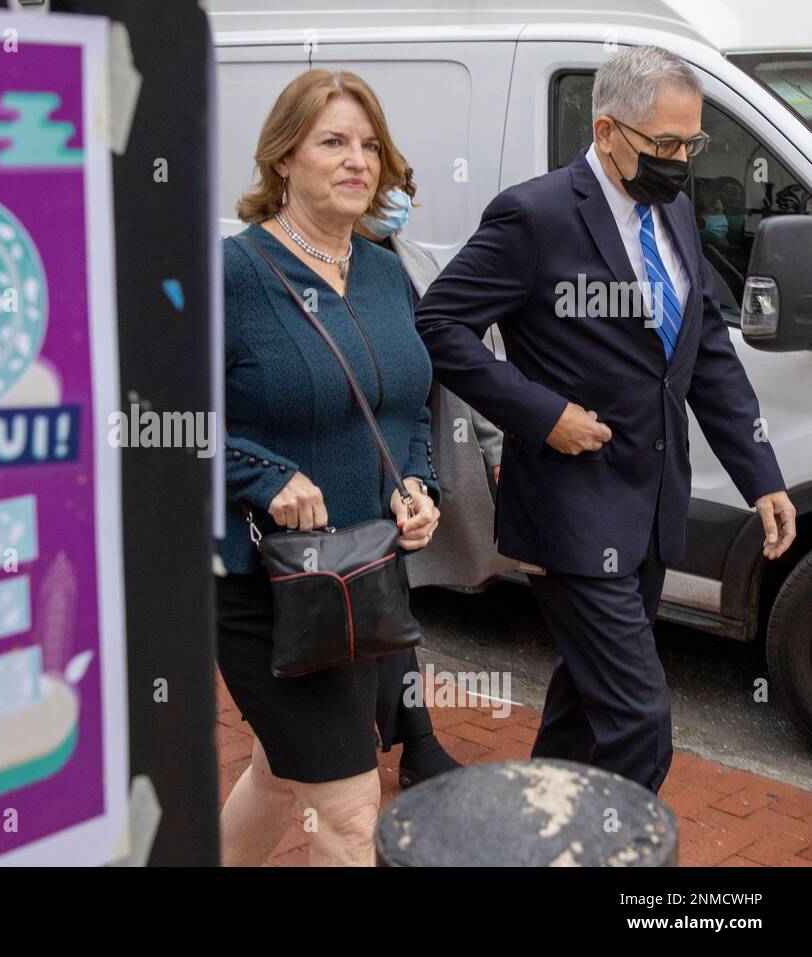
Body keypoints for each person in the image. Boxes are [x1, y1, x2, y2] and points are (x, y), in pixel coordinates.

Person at [414, 45, 797, 794]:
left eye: (693, 144)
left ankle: (532, 829)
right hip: (570, 507)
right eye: (664, 145)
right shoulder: (535, 215)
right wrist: (542, 412)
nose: (681, 161)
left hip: (652, 507)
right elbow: (439, 323)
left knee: (585, 706)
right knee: (638, 722)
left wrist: (761, 476)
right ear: (606, 130)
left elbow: (703, 352)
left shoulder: (675, 207)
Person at [218, 68, 441, 866]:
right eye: (334, 142)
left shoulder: (384, 270)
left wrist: (417, 484)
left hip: (364, 581)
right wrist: (260, 473)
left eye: (370, 145)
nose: (358, 160)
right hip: (264, 587)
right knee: (350, 813)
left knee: (281, 775)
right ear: (283, 158)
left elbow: (409, 404)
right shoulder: (235, 275)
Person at [362, 183, 517, 788]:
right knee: (374, 608)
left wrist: (490, 448)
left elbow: (460, 357)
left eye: (400, 180)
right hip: (344, 469)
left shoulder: (412, 259)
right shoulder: (298, 265)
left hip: (404, 459)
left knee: (384, 605)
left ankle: (412, 746)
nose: (395, 195)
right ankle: (410, 746)